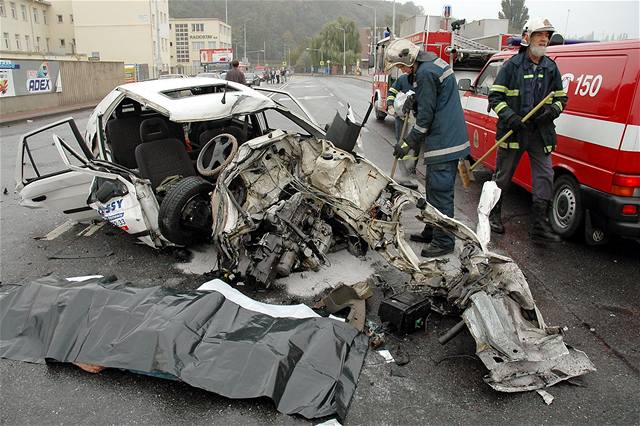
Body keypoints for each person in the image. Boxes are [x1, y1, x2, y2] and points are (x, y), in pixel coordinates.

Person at [384, 39, 470, 257]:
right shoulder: (429, 64)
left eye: (401, 67)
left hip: (445, 141)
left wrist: (406, 143)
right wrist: (417, 100)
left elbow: (424, 120)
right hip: (445, 136)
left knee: (440, 191)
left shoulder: (425, 73)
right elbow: (431, 102)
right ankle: (432, 229)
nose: (402, 71)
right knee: (433, 189)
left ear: (409, 60)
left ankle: (444, 241)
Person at [487, 17, 567, 243]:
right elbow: (496, 97)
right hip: (514, 131)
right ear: (527, 38)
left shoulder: (551, 67)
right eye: (540, 35)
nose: (544, 39)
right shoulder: (511, 66)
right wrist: (510, 117)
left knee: (545, 175)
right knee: (503, 176)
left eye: (547, 36)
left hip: (540, 133)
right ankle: (494, 214)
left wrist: (552, 111)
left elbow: (561, 98)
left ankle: (539, 224)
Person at [386, 72, 419, 190]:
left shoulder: (421, 80)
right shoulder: (402, 79)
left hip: (415, 119)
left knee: (414, 145)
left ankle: (411, 169)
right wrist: (390, 105)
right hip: (401, 119)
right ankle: (403, 172)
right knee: (401, 144)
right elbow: (392, 92)